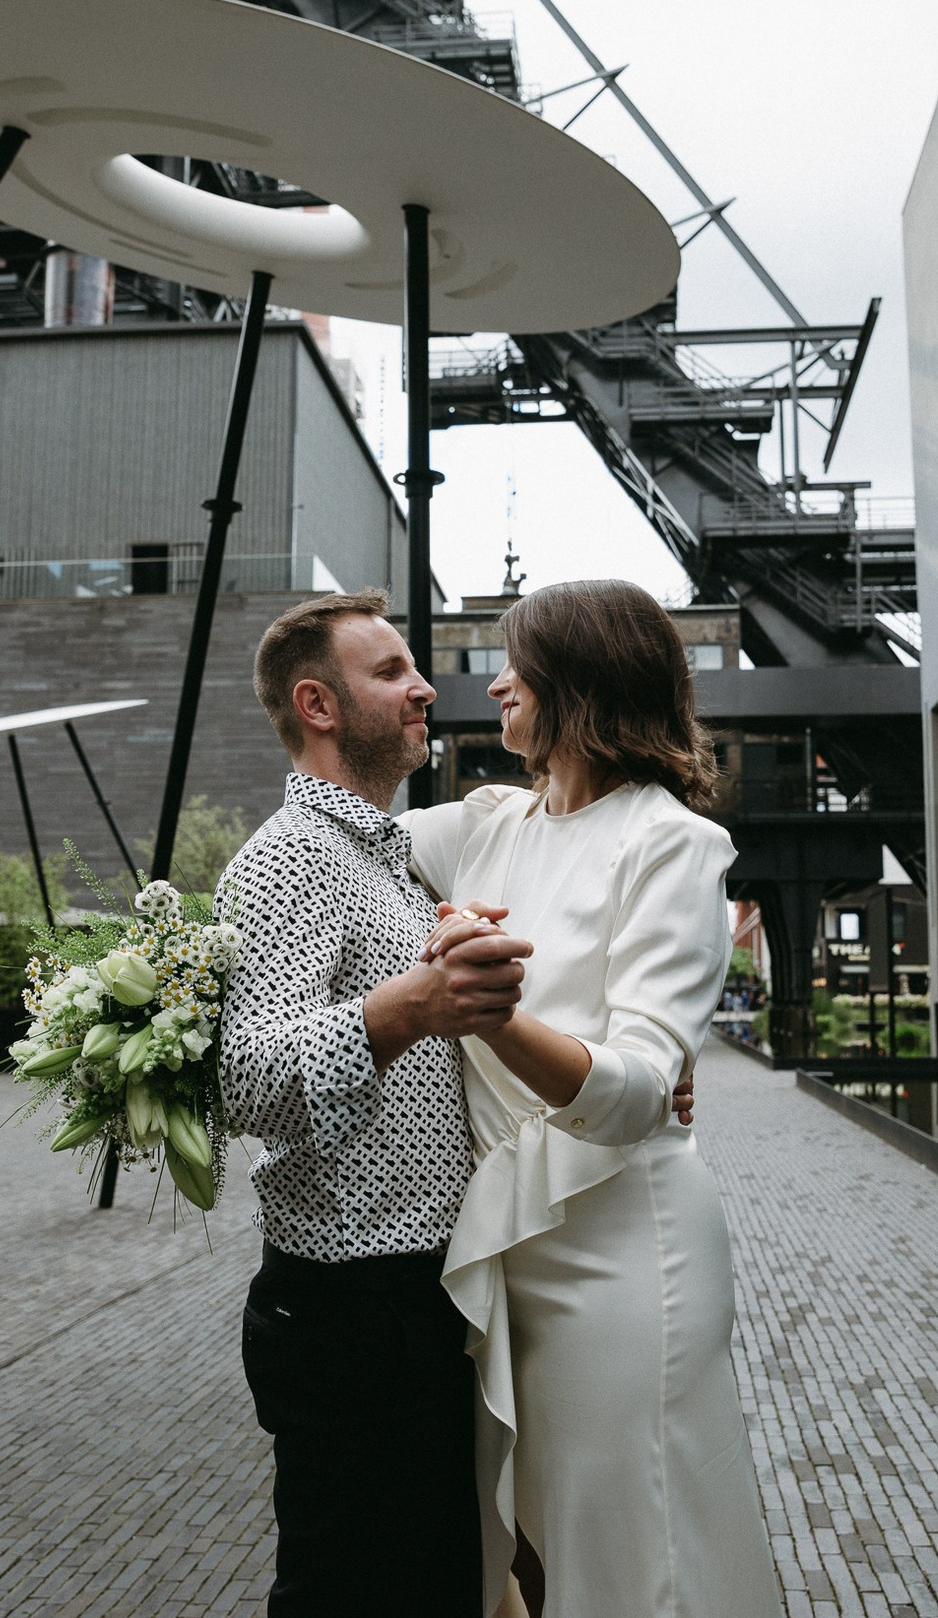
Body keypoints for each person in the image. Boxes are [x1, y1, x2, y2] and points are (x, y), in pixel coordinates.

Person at [404, 579, 781, 1618]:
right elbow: (339, 836)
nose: (491, 682)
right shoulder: (487, 824)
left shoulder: (671, 844)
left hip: (623, 1248)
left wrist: (492, 1014)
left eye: (513, 662)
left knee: (633, 1545)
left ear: (578, 679)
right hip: (508, 1239)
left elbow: (636, 1094)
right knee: (526, 1535)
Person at [216, 589, 530, 1617]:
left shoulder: (386, 863)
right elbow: (245, 1080)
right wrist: (404, 1007)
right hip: (352, 1306)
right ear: (316, 701)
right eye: (391, 669)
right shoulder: (288, 859)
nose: (423, 686)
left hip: (414, 1292)